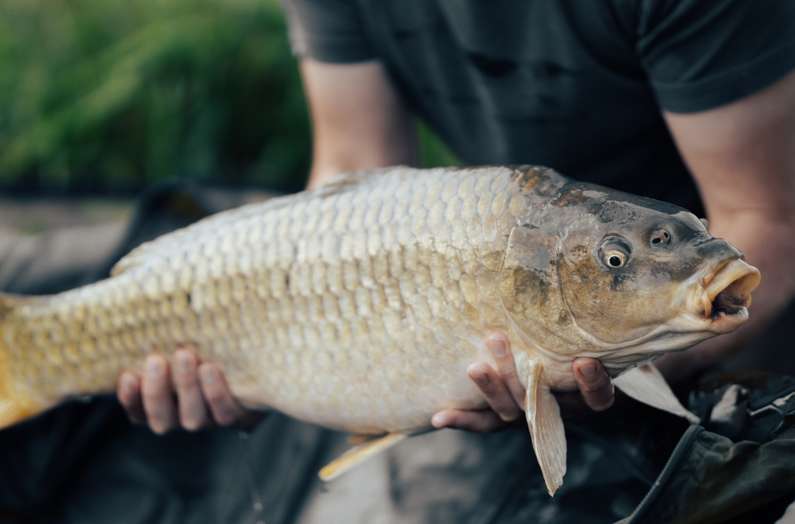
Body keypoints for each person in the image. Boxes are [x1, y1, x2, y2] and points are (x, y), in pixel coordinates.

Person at [4, 1, 792, 523]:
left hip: (696, 297)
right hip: (505, 258)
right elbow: (351, 167)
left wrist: (607, 374)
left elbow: (769, 221)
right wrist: (262, 357)